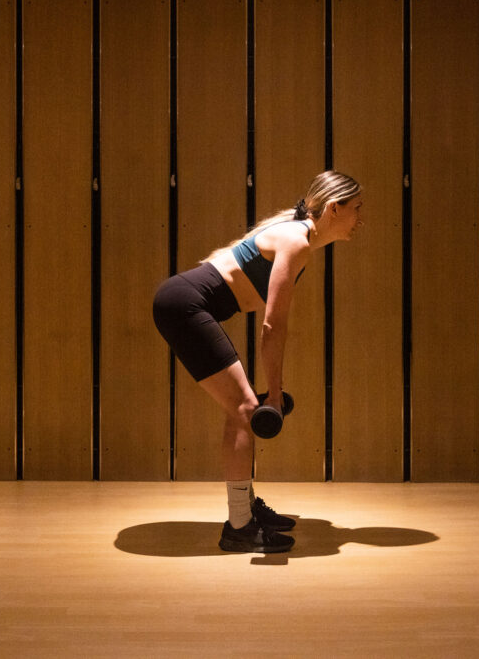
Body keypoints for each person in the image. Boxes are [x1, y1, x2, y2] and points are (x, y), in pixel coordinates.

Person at [153, 170, 363, 553]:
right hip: (183, 305)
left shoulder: (298, 236)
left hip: (183, 303)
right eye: (356, 209)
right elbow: (272, 327)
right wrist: (275, 395)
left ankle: (245, 510)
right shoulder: (296, 241)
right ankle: (240, 528)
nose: (360, 219)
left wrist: (274, 396)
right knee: (247, 410)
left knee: (243, 409)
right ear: (334, 208)